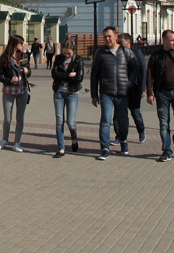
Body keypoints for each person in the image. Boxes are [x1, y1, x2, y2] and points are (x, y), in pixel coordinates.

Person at [90, 26, 138, 160]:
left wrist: (130, 82)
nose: (107, 39)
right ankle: (105, 148)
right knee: (105, 120)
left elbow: (135, 67)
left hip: (123, 92)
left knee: (123, 120)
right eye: (105, 37)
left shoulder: (126, 52)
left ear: (116, 37)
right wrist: (94, 95)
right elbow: (94, 75)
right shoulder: (100, 54)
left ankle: (123, 140)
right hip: (106, 92)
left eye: (109, 36)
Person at [147, 29, 174, 162]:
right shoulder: (156, 55)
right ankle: (166, 150)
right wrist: (150, 93)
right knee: (163, 123)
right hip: (162, 93)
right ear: (164, 40)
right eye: (172, 40)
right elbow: (149, 74)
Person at [0, 34, 29, 151]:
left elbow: (28, 72)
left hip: (22, 90)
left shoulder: (23, 56)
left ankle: (17, 142)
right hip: (9, 91)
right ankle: (5, 139)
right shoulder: (5, 57)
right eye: (21, 43)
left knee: (20, 118)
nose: (23, 45)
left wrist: (27, 71)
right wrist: (10, 80)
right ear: (14, 44)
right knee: (8, 118)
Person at [50, 40, 84, 157]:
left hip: (72, 93)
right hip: (59, 92)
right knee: (59, 121)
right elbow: (54, 74)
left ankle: (74, 138)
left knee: (70, 121)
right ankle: (61, 148)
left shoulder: (78, 60)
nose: (66, 56)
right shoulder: (59, 58)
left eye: (69, 53)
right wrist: (69, 75)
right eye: (65, 53)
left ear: (73, 51)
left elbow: (79, 78)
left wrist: (65, 76)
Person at [119, 33, 146, 144]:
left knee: (135, 112)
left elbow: (143, 70)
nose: (119, 44)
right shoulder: (118, 53)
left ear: (128, 42)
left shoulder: (137, 53)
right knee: (119, 115)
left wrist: (142, 88)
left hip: (134, 88)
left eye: (121, 42)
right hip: (121, 87)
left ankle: (141, 130)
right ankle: (119, 136)